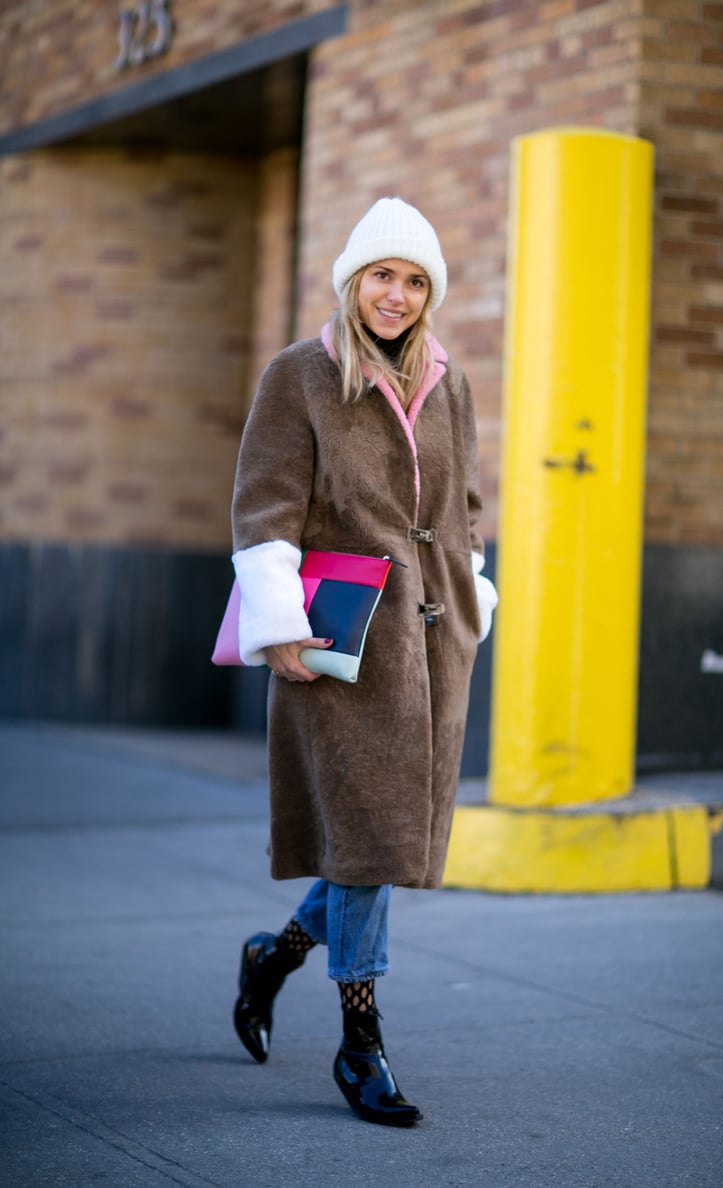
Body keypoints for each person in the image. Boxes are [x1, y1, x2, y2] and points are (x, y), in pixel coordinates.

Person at [229, 196, 498, 1127]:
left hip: (431, 642)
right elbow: (264, 509)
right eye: (384, 274)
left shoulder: (446, 380)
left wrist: (471, 602)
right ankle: (360, 1044)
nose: (398, 294)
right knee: (370, 839)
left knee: (375, 846)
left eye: (416, 280)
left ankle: (273, 958)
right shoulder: (299, 374)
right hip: (341, 640)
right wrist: (278, 623)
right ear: (353, 280)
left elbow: (464, 503)